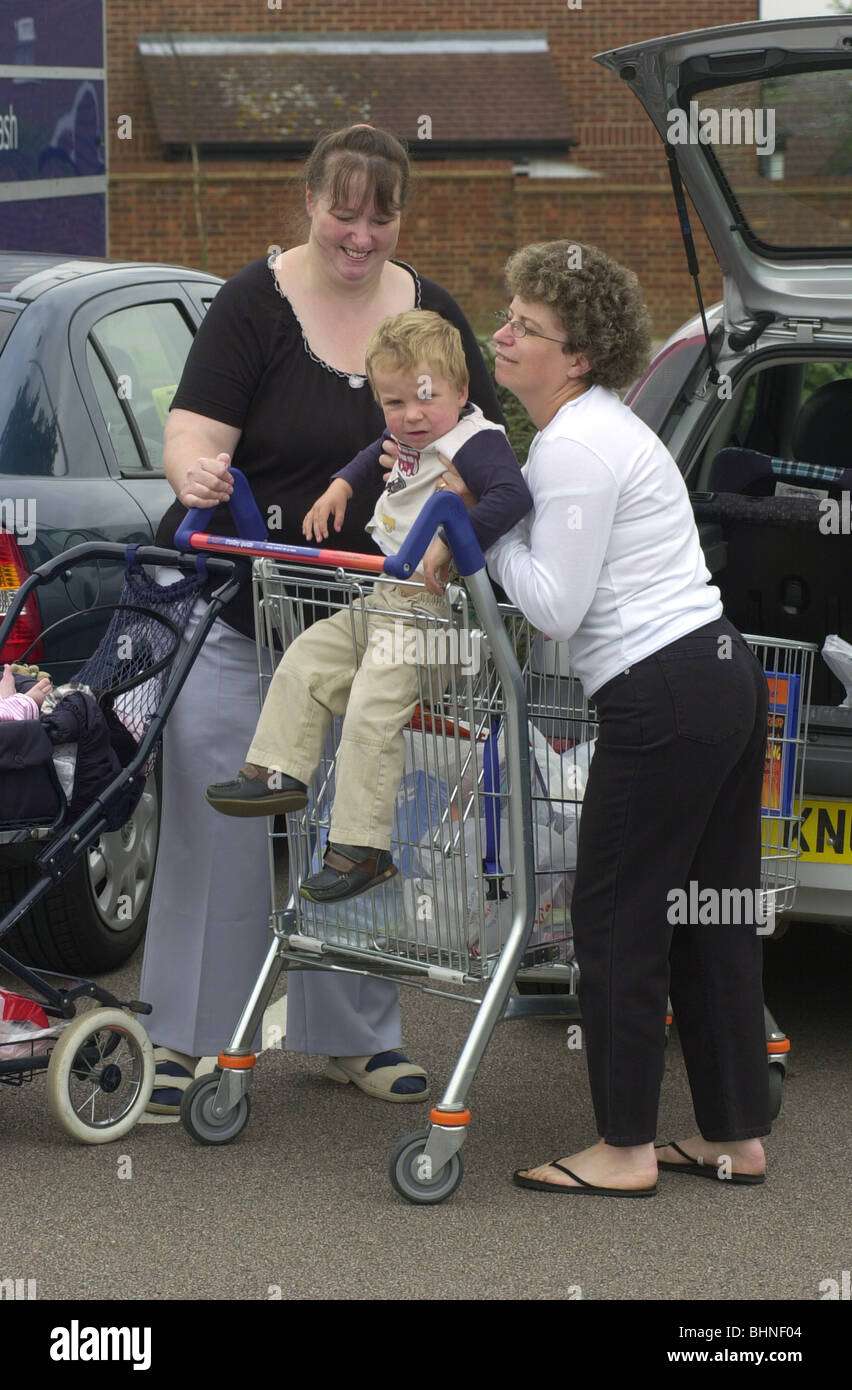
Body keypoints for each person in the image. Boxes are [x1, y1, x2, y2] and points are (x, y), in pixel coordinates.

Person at [141, 124, 507, 1112]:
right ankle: (185, 1037)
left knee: (364, 814)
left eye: (379, 216)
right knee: (221, 815)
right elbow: (191, 431)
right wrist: (196, 472)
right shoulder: (250, 305)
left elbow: (485, 443)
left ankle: (353, 1034)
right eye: (344, 213)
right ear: (310, 202)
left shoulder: (431, 313)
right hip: (241, 611)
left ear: (401, 217)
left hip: (371, 621)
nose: (360, 235)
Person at [467, 240, 770, 1193]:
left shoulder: (574, 447)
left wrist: (487, 532)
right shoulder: (606, 427)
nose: (504, 334)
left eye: (528, 327)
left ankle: (626, 1148)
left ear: (580, 356)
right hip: (721, 676)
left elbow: (554, 608)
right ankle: (733, 1135)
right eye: (508, 315)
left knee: (613, 914)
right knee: (703, 914)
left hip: (663, 695)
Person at [205, 309, 532, 904]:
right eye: (393, 402)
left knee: (371, 705)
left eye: (425, 397)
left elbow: (514, 494)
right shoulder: (413, 436)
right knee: (305, 657)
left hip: (441, 618)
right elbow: (370, 454)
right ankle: (276, 770)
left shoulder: (474, 442)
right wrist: (339, 487)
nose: (409, 415)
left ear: (462, 390)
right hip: (385, 598)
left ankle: (361, 848)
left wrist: (452, 543)